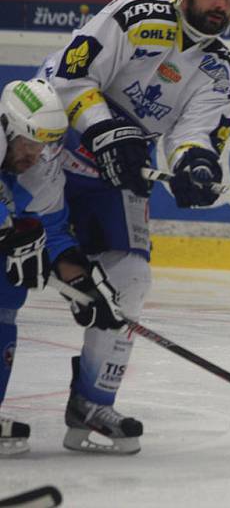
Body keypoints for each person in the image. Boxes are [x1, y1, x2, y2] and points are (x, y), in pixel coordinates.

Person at [37, 0, 230, 453]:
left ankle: (92, 402)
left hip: (114, 176)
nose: (222, 3)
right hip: (47, 153)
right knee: (12, 273)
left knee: (130, 278)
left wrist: (195, 165)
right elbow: (68, 78)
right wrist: (106, 129)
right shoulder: (135, 15)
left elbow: (195, 134)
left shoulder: (219, 68)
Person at [0, 78, 127, 455]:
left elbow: (52, 232)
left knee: (9, 290)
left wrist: (85, 285)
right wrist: (12, 233)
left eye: (45, 143)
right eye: (28, 142)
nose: (35, 154)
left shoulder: (43, 166)